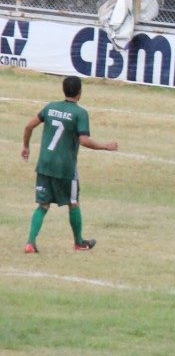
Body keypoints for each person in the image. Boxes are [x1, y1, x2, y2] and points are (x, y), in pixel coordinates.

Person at [20, 76, 118, 253]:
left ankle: (30, 243)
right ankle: (79, 243)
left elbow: (28, 126)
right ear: (80, 92)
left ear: (63, 90)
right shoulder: (80, 113)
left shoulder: (50, 107)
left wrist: (26, 147)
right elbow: (84, 140)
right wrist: (105, 146)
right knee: (73, 203)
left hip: (44, 164)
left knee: (43, 205)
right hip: (65, 167)